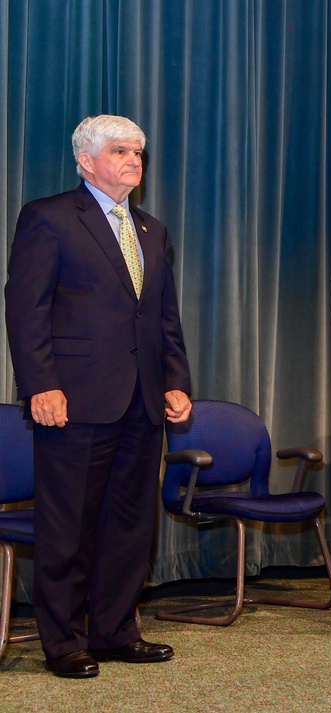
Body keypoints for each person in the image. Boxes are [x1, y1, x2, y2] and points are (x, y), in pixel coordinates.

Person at [4, 114, 192, 678]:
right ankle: (63, 643)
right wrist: (41, 385)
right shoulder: (49, 218)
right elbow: (26, 309)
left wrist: (177, 380)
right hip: (73, 400)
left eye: (138, 152)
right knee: (68, 526)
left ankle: (115, 631)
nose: (134, 160)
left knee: (131, 523)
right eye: (120, 151)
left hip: (142, 400)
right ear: (86, 161)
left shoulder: (152, 229)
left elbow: (163, 316)